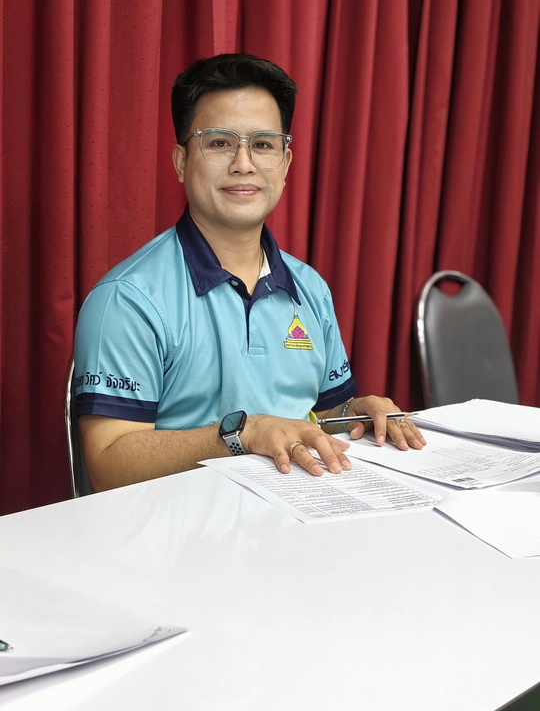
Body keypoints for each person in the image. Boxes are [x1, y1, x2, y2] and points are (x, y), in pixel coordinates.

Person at [74, 53, 425, 491]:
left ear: (285, 164)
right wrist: (241, 434)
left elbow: (322, 416)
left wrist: (356, 413)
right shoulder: (128, 299)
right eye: (220, 143)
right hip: (182, 526)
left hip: (300, 512)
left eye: (262, 144)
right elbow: (107, 464)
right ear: (181, 161)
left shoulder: (310, 288)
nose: (244, 163)